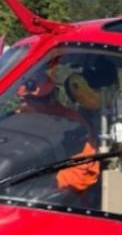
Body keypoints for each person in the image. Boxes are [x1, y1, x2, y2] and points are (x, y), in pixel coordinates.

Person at [15, 70, 100, 199]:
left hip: (65, 195)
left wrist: (51, 184)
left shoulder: (72, 123)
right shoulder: (18, 120)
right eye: (23, 101)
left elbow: (83, 171)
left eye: (52, 96)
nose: (24, 105)